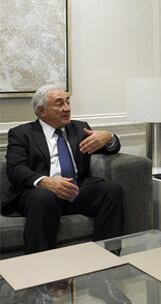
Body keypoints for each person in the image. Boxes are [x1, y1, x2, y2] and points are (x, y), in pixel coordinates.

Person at [2, 84, 125, 254]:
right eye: (59, 103)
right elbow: (15, 169)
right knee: (44, 197)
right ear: (42, 111)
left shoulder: (79, 128)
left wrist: (108, 136)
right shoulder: (22, 133)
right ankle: (40, 269)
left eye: (68, 102)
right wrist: (46, 182)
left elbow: (112, 148)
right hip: (39, 192)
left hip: (76, 188)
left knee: (111, 190)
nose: (67, 108)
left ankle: (107, 260)